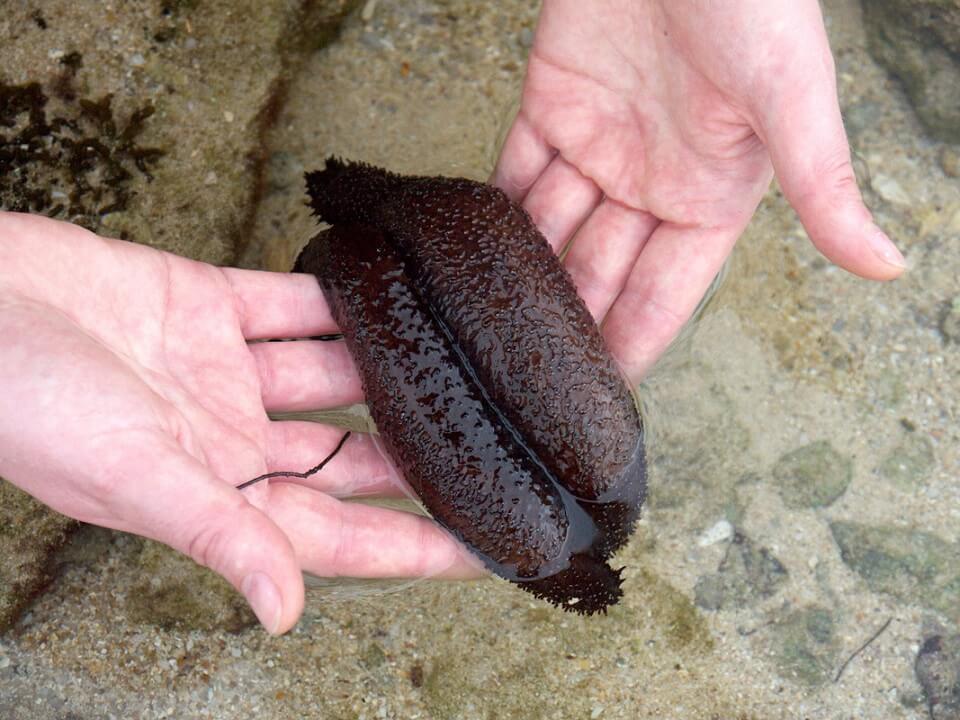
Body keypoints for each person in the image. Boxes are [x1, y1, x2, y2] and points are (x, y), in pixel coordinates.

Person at [0, 0, 904, 635]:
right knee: (374, 268)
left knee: (375, 273)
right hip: (426, 244)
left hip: (430, 250)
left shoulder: (586, 498)